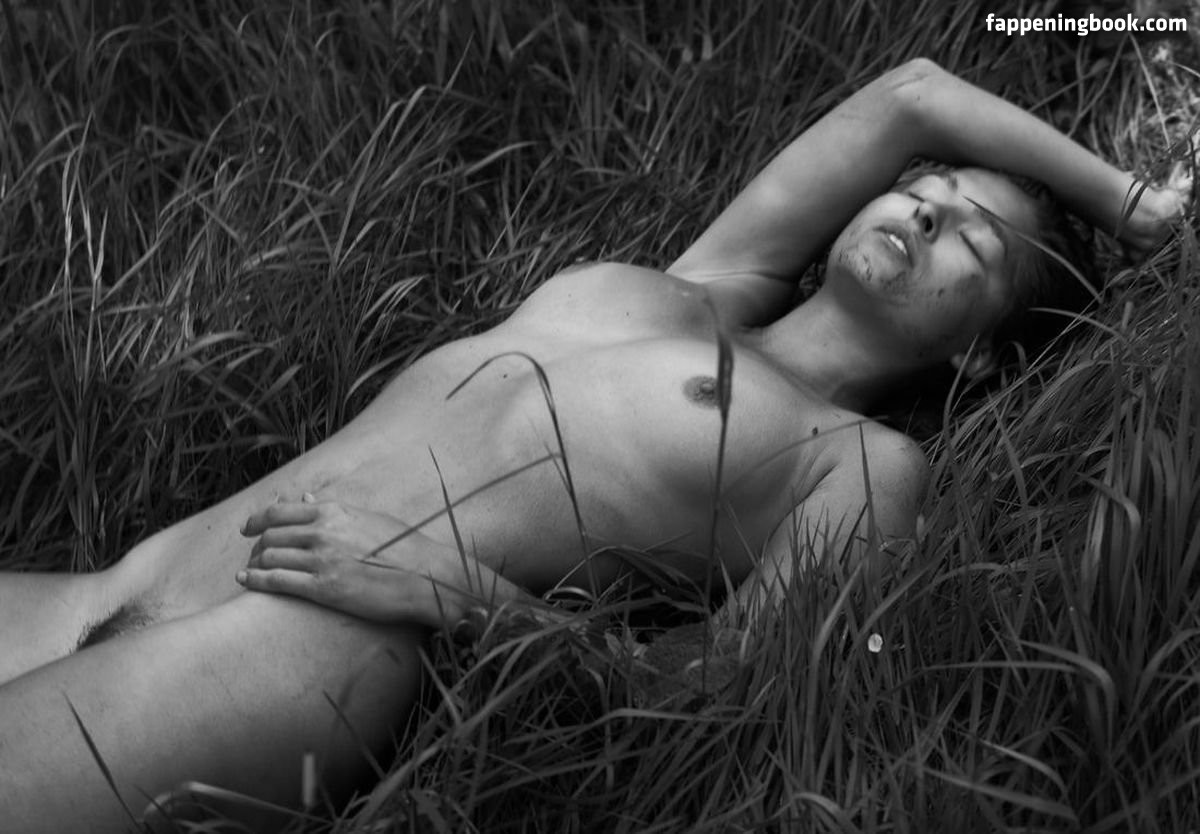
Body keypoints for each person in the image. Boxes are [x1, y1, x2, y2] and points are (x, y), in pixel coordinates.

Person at [0, 58, 1190, 831]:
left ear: (978, 356)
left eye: (975, 242)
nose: (928, 212)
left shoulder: (864, 464)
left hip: (311, 636)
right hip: (146, 570)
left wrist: (463, 594)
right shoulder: (703, 283)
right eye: (932, 192)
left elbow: (717, 687)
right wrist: (1127, 200)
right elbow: (913, 96)